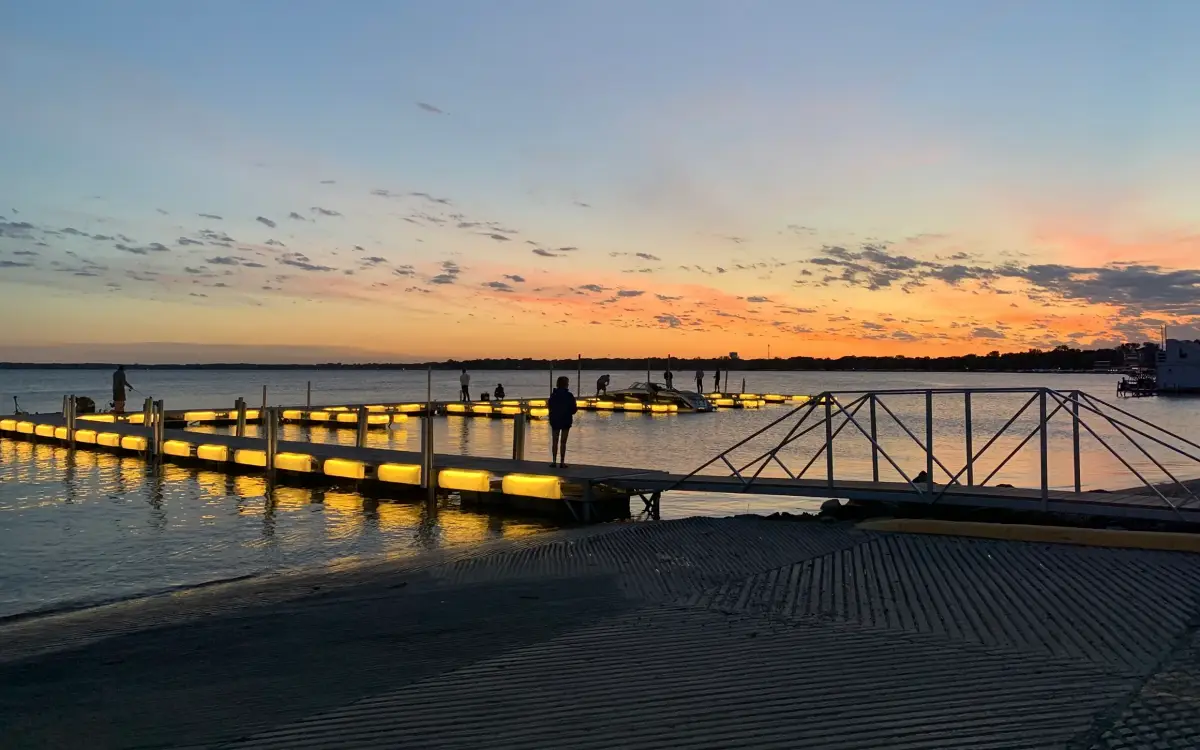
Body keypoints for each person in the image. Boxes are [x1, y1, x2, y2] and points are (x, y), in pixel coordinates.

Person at [548, 376, 578, 468]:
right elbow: (574, 409)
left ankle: (554, 461)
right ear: (566, 384)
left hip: (555, 420)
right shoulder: (569, 396)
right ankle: (562, 462)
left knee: (555, 441)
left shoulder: (553, 395)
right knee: (563, 442)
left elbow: (550, 406)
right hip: (566, 420)